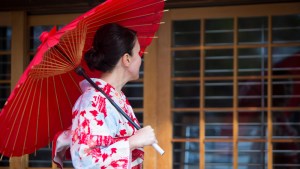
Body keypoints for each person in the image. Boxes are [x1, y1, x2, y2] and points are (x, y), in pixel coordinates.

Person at [53, 23, 158, 169]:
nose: (141, 59)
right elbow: (86, 161)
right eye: (139, 53)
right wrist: (132, 142)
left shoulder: (116, 97)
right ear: (126, 59)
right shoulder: (92, 102)